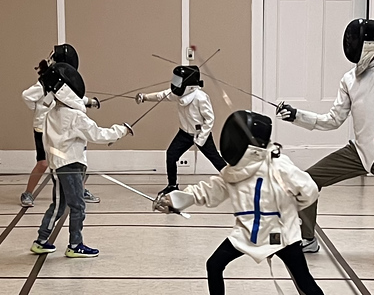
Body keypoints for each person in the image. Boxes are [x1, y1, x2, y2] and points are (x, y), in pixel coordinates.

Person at [156, 110, 346, 295]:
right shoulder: (234, 172)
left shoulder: (278, 165)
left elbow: (308, 190)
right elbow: (209, 190)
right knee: (214, 265)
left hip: (280, 233)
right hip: (247, 232)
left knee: (303, 279)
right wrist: (174, 200)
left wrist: (289, 207)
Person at [276, 18, 374, 259]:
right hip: (359, 152)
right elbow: (333, 119)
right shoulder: (349, 79)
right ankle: (308, 238)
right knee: (307, 181)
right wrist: (297, 116)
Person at [31, 62, 132, 258]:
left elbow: (70, 107)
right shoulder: (75, 116)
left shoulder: (53, 110)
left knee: (59, 205)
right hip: (70, 165)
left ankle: (41, 240)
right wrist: (122, 130)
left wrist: (88, 103)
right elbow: (99, 134)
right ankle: (75, 245)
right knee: (77, 205)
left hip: (58, 164)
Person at [21, 44, 102, 207]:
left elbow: (71, 96)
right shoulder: (44, 83)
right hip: (43, 129)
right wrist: (40, 111)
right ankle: (27, 193)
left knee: (75, 159)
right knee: (43, 163)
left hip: (61, 127)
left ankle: (80, 189)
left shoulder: (63, 80)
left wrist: (89, 102)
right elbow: (26, 96)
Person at [136, 64, 227, 195]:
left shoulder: (200, 97)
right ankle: (172, 185)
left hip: (201, 134)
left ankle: (233, 182)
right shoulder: (178, 95)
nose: (176, 83)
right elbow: (161, 96)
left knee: (215, 159)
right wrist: (144, 97)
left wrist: (201, 138)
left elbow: (209, 119)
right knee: (171, 155)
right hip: (184, 133)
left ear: (188, 83)